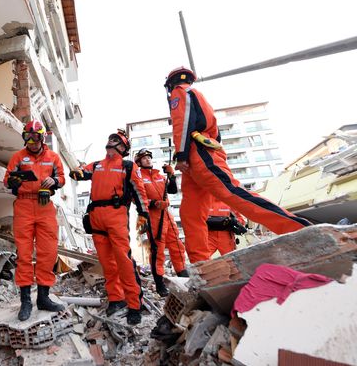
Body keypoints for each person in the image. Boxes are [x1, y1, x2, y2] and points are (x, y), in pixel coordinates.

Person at [164, 67, 312, 263]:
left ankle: (301, 229)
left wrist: (181, 154)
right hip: (198, 154)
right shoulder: (197, 95)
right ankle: (200, 264)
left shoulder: (179, 92)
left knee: (233, 193)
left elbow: (182, 123)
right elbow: (215, 133)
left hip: (196, 153)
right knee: (190, 212)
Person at [69, 129, 150, 325]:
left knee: (123, 260)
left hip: (116, 216)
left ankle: (134, 304)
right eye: (110, 139)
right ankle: (116, 298)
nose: (111, 142)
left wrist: (144, 214)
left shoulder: (128, 166)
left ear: (123, 148)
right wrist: (77, 171)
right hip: (96, 217)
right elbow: (79, 174)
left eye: (116, 140)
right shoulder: (96, 165)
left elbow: (139, 192)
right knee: (107, 263)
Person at [4, 120, 66, 321]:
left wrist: (54, 182)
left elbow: (62, 178)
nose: (31, 141)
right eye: (27, 137)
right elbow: (7, 179)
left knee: (48, 252)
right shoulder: (18, 157)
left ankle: (43, 298)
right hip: (23, 205)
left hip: (44, 206)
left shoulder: (53, 157)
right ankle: (25, 302)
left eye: (35, 137)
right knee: (23, 253)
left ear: (42, 137)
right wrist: (14, 181)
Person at [134, 149, 188, 297]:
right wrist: (154, 203)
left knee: (177, 245)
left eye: (149, 157)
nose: (148, 160)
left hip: (167, 215)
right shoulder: (138, 178)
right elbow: (137, 198)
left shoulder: (159, 175)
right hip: (153, 216)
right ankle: (159, 284)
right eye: (144, 158)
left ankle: (183, 275)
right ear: (138, 162)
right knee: (157, 250)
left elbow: (172, 190)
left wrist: (171, 175)